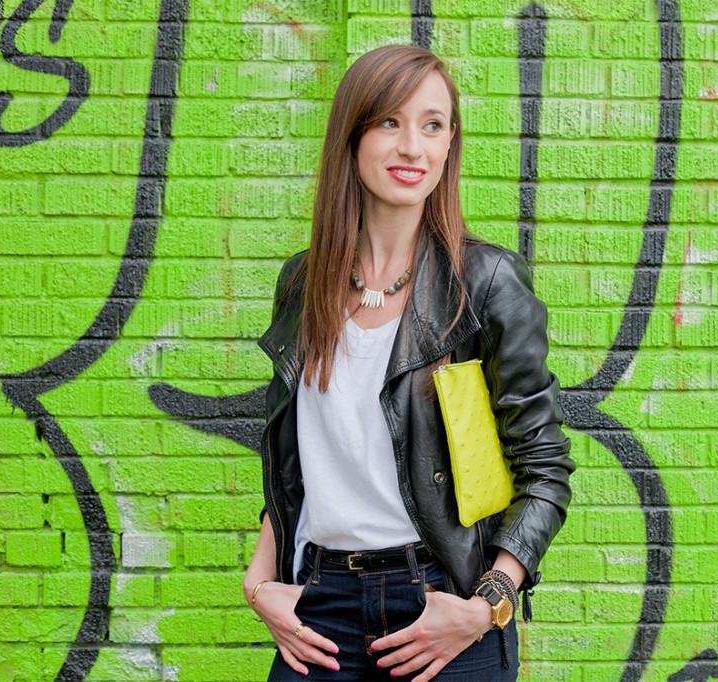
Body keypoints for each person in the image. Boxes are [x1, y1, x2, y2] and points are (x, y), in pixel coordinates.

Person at [243, 44, 574, 681]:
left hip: (442, 604)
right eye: (389, 122)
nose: (412, 147)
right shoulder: (303, 283)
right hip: (320, 610)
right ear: (353, 134)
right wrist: (261, 583)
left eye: (433, 125)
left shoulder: (485, 283)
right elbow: (291, 458)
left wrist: (488, 606)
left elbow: (544, 467)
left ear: (450, 144)